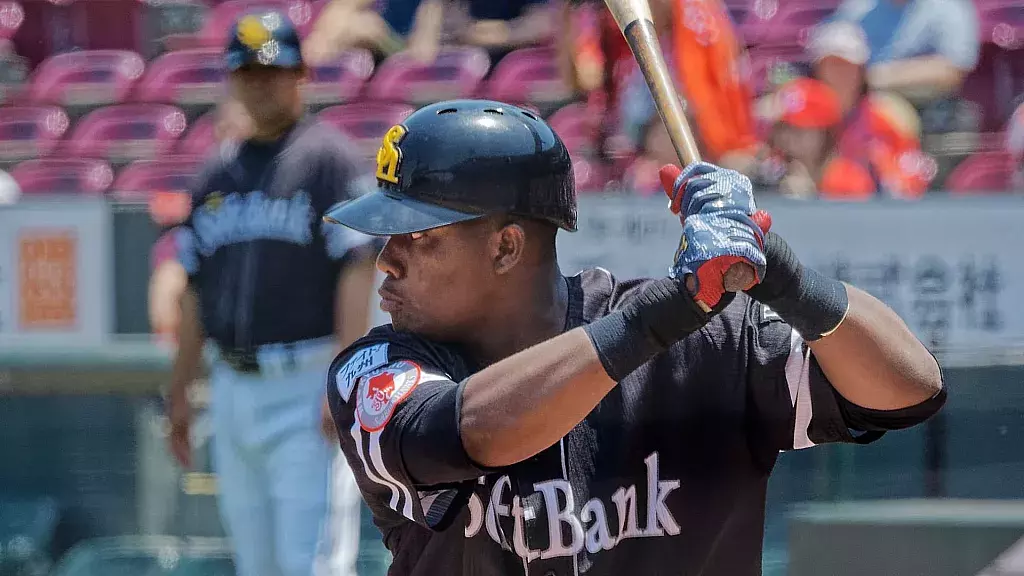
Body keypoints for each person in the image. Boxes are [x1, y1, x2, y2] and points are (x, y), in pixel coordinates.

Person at [321, 98, 947, 575]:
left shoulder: (701, 341)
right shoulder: (373, 369)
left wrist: (780, 272)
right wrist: (659, 317)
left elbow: (910, 388)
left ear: (507, 246)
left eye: (418, 236)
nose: (387, 260)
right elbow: (472, 432)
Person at [166, 11, 378, 576]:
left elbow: (358, 270)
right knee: (256, 565)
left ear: (301, 73)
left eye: (273, 71)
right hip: (233, 387)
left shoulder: (328, 161)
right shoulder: (215, 174)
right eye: (249, 73)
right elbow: (192, 292)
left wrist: (341, 377)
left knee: (312, 565)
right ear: (232, 80)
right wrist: (180, 388)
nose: (261, 84)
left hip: (306, 383)